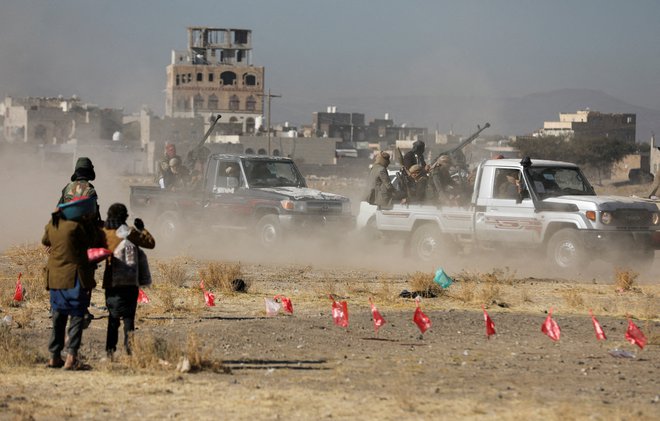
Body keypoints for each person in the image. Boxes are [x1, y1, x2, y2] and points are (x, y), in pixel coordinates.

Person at [42, 198, 103, 370]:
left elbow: (46, 241)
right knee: (77, 316)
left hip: (55, 279)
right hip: (74, 278)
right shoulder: (76, 228)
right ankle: (71, 358)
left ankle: (54, 357)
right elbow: (92, 241)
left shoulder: (52, 226)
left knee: (58, 316)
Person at [101, 203, 155, 358]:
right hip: (131, 283)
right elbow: (150, 243)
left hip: (112, 283)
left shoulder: (105, 233)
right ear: (125, 217)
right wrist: (142, 229)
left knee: (113, 318)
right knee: (129, 318)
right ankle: (129, 352)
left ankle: (110, 352)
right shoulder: (130, 232)